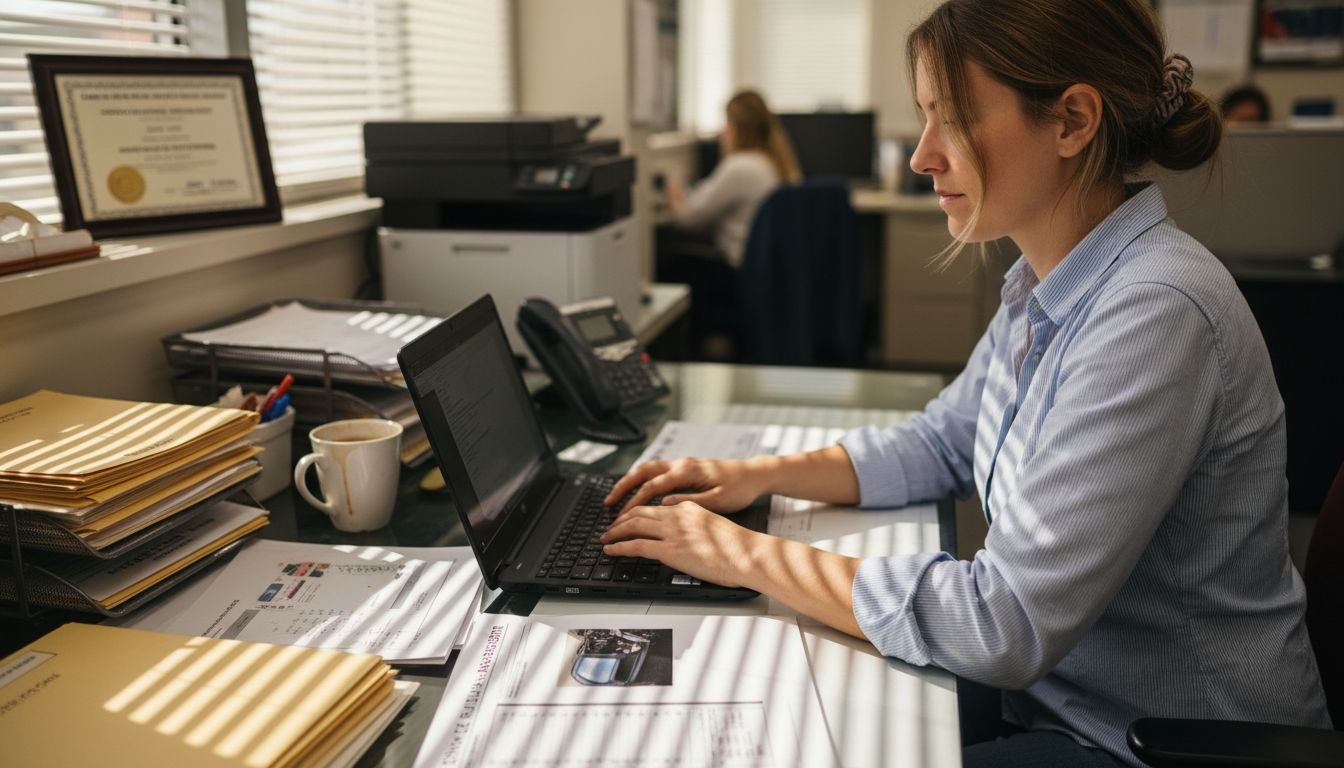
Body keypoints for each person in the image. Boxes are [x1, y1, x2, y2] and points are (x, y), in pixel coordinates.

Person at [601, 0, 1330, 765]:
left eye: (951, 118)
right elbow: (939, 443)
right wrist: (747, 478)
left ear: (1073, 121)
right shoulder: (1047, 283)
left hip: (1152, 742)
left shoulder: (1154, 314)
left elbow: (1002, 622)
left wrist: (736, 555)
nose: (921, 156)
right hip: (1062, 695)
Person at [665, 90, 802, 269]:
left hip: (740, 270)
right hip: (770, 269)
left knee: (668, 258)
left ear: (738, 127)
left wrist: (674, 192)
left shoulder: (740, 165)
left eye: (727, 123)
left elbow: (688, 218)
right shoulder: (777, 162)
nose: (723, 132)